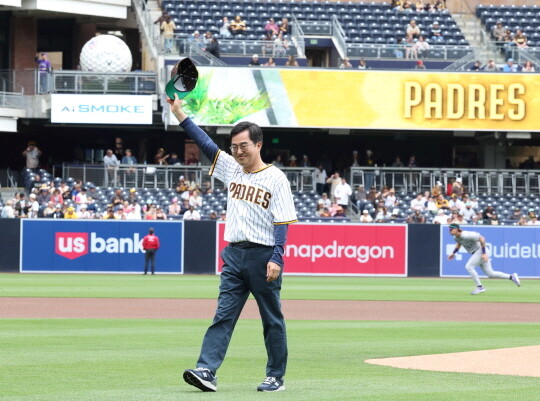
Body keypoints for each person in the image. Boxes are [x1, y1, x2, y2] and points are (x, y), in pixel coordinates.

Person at [168, 92, 297, 392]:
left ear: (258, 145)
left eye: (244, 146)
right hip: (234, 256)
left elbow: (282, 221)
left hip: (263, 255)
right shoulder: (232, 169)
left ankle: (275, 376)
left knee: (271, 319)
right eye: (235, 147)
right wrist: (180, 115)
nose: (238, 152)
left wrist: (277, 257)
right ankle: (206, 370)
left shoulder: (276, 178)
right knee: (223, 315)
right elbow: (206, 144)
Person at [447, 223, 521, 295]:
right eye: (449, 229)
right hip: (477, 252)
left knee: (469, 267)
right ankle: (512, 277)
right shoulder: (456, 237)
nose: (450, 231)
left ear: (457, 229)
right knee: (490, 273)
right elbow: (459, 243)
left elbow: (482, 239)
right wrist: (454, 253)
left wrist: (484, 253)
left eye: (451, 229)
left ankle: (480, 287)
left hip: (480, 250)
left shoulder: (467, 235)